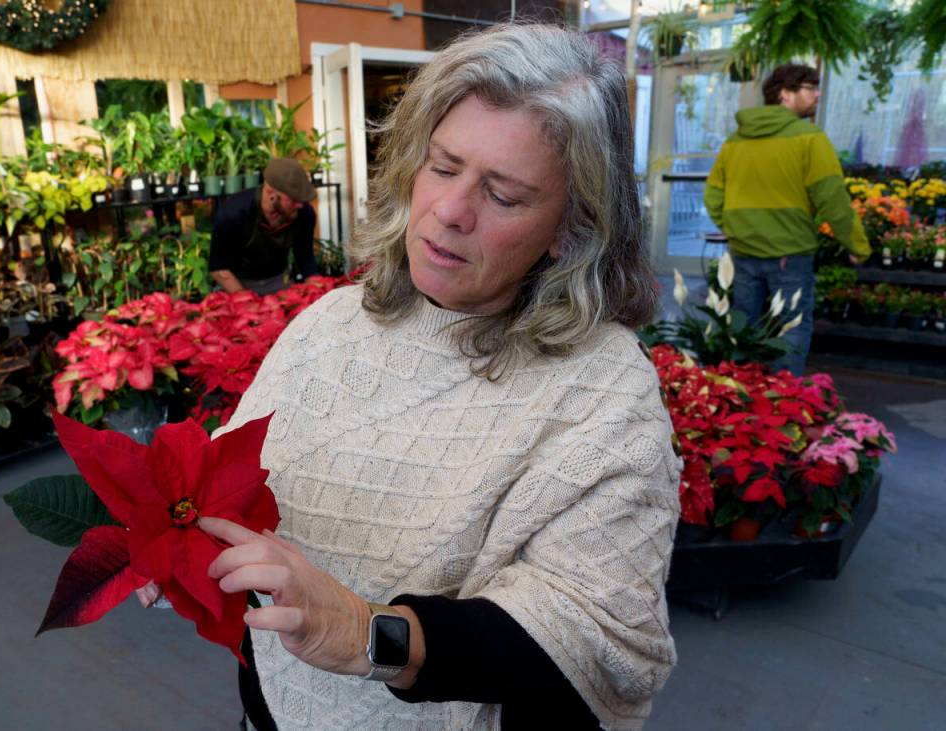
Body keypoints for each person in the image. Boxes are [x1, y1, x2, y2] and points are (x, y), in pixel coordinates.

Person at [145, 23, 680, 730]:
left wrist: (368, 631)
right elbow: (228, 477)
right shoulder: (331, 323)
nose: (451, 212)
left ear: (571, 226)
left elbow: (597, 637)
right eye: (444, 165)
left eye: (506, 195)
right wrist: (168, 533)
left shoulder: (604, 396)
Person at [704, 63, 871, 376]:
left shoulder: (735, 141)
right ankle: (783, 400)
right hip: (790, 252)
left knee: (744, 327)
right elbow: (832, 199)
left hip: (743, 251)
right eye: (810, 88)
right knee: (791, 328)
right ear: (785, 94)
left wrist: (735, 230)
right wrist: (857, 246)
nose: (817, 94)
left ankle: (740, 397)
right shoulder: (809, 138)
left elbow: (713, 197)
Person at [209, 157, 319, 295]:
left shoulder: (304, 213)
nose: (300, 205)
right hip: (236, 283)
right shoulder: (234, 212)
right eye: (293, 199)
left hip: (279, 282)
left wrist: (317, 292)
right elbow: (219, 268)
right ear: (270, 193)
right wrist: (246, 301)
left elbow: (305, 257)